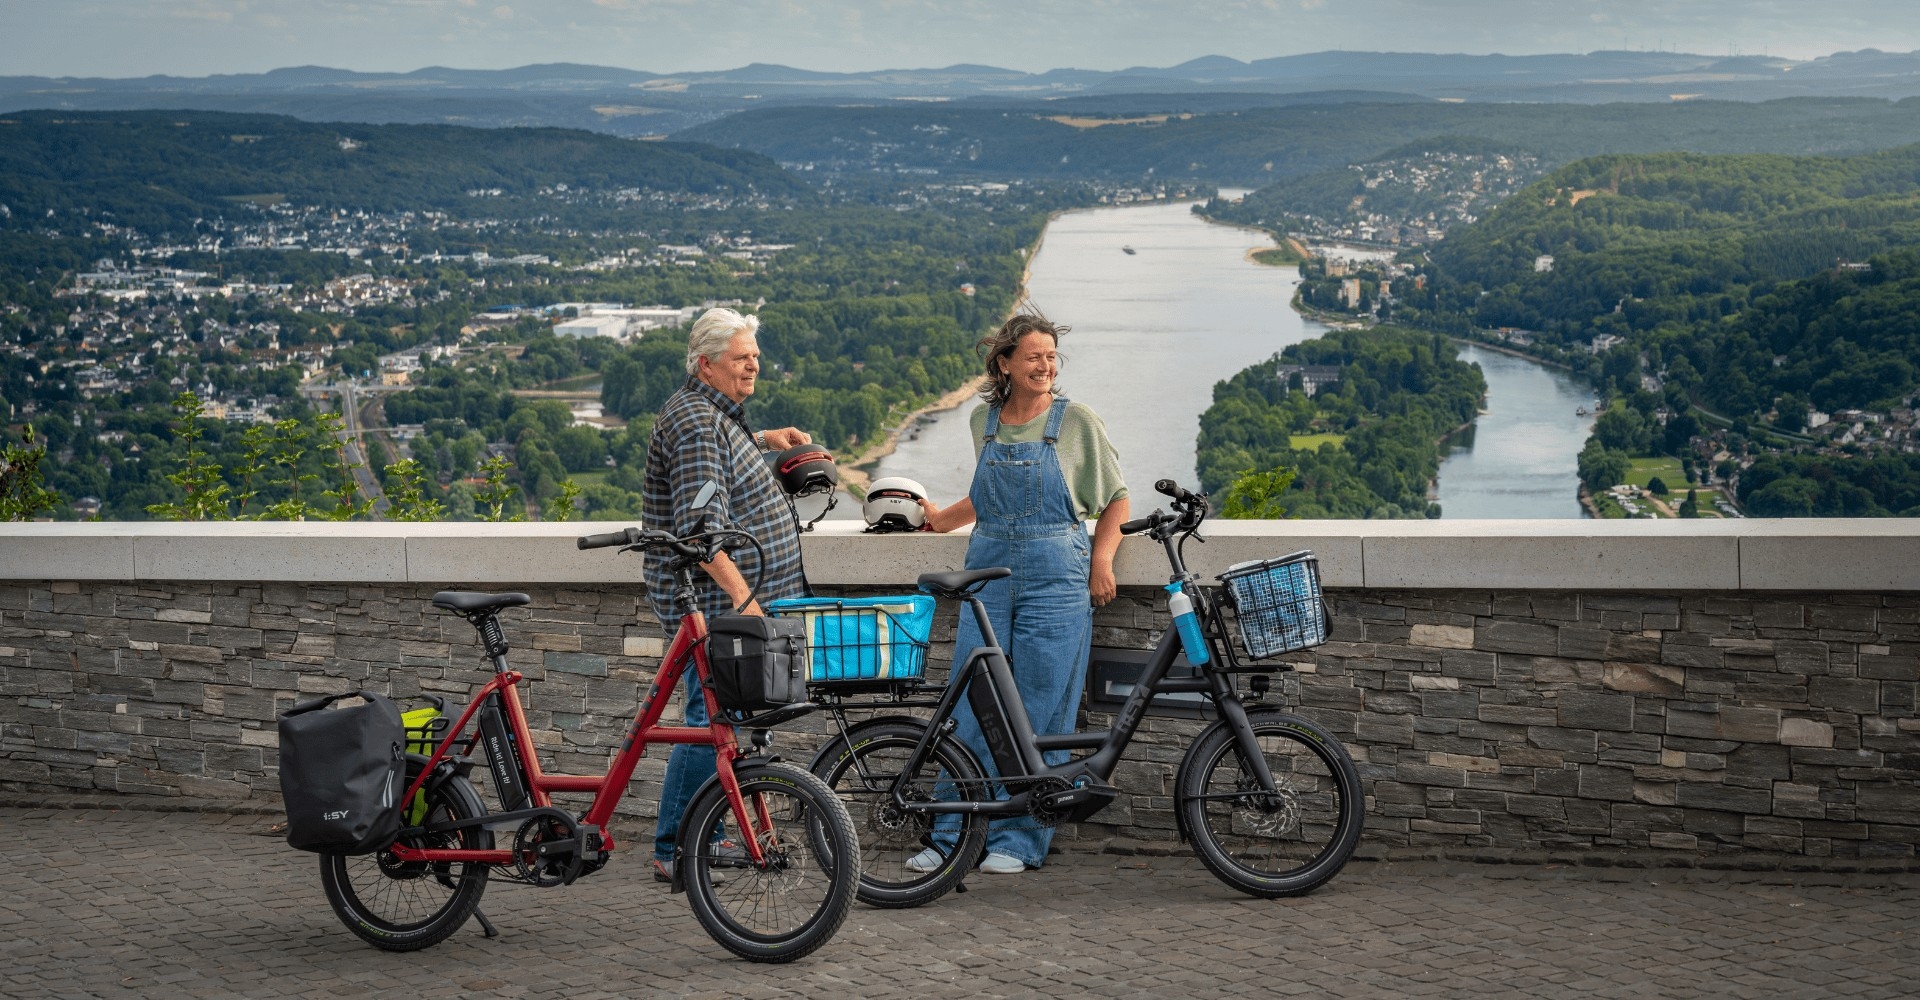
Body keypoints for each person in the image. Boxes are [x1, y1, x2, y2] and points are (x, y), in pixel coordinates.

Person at [916, 313, 1130, 874]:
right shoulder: (981, 420)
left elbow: (1116, 500)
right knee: (969, 702)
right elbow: (985, 497)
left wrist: (1102, 560)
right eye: (1034, 356)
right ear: (1005, 362)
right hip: (988, 574)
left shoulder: (1077, 421)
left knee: (1042, 706)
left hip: (1058, 576)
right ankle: (950, 832)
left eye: (1052, 356)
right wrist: (941, 521)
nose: (1046, 366)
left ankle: (1020, 839)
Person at [640, 306, 813, 883]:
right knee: (705, 719)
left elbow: (719, 462)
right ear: (706, 364)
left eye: (756, 358)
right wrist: (744, 600)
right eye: (742, 359)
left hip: (725, 605)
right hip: (714, 607)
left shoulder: (713, 413)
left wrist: (767, 438)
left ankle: (699, 839)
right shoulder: (696, 424)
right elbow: (701, 528)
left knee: (721, 720)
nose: (754, 367)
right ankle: (675, 848)